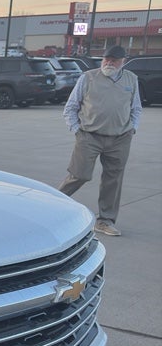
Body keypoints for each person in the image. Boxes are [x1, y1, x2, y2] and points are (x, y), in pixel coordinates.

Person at [58, 44, 141, 236]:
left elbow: (136, 107)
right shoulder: (88, 78)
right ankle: (52, 203)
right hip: (89, 136)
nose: (109, 63)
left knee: (113, 179)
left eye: (114, 60)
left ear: (123, 62)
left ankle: (105, 221)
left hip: (120, 138)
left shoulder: (131, 79)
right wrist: (77, 130)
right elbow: (71, 107)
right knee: (79, 175)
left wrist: (132, 129)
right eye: (106, 59)